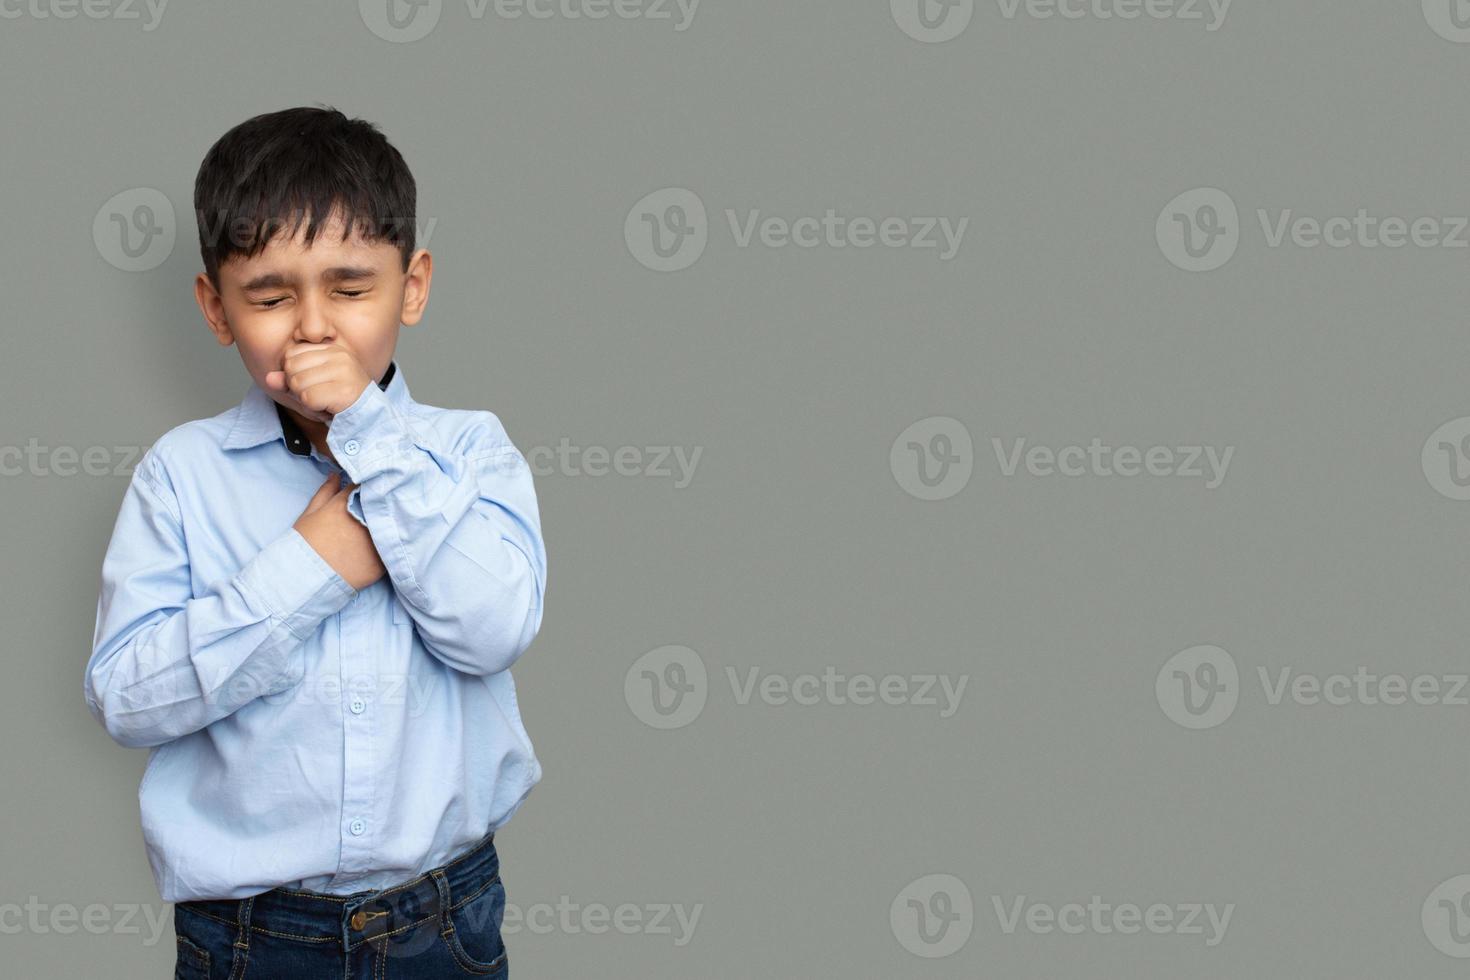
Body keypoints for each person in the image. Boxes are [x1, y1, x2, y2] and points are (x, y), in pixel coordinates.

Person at [84, 105, 546, 977]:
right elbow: (126, 699)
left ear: (412, 286)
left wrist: (370, 437)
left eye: (351, 287)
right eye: (269, 296)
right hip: (251, 934)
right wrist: (311, 569)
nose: (312, 327)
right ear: (215, 309)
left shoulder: (470, 452)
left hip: (441, 918)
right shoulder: (180, 474)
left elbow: (492, 629)